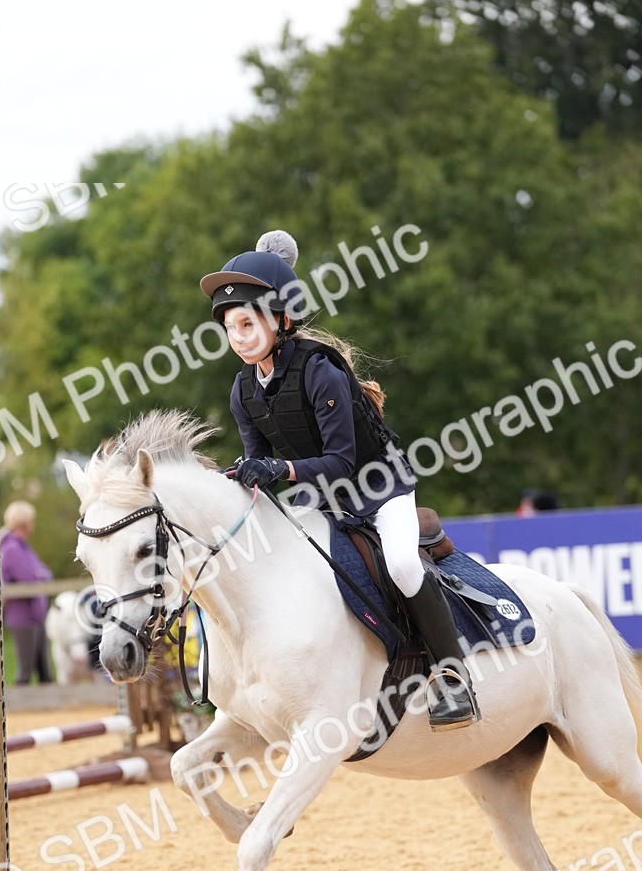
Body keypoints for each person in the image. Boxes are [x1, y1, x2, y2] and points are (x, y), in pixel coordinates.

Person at [200, 229, 480, 731]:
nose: (238, 335)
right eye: (230, 327)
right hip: (323, 498)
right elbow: (258, 463)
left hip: (379, 486)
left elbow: (343, 461)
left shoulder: (319, 372)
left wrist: (280, 470)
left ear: (281, 319)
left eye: (247, 322)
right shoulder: (244, 390)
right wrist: (238, 479)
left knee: (400, 564)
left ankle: (455, 678)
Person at [0, 500, 54, 685]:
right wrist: (40, 574)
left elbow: (44, 573)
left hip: (34, 614)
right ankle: (18, 709)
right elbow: (31, 577)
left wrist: (40, 573)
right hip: (22, 616)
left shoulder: (22, 546)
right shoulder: (12, 549)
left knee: (44, 670)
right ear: (24, 522)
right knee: (26, 670)